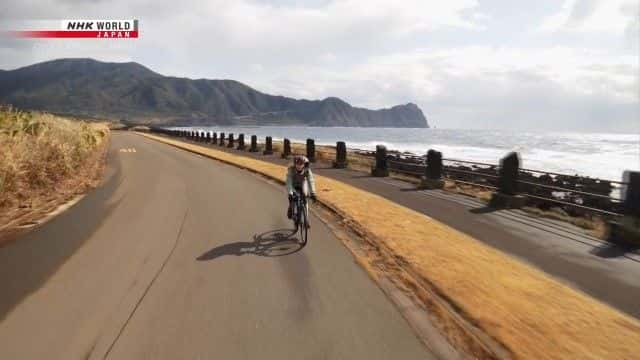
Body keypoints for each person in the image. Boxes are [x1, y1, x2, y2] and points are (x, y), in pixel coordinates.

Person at [286, 155, 317, 219]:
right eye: (297, 164)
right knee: (291, 197)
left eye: (301, 164)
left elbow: (311, 181)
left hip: (303, 183)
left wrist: (313, 193)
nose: (299, 166)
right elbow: (289, 182)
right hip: (293, 184)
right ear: (294, 164)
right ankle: (291, 208)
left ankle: (306, 218)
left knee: (305, 196)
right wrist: (290, 192)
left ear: (304, 164)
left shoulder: (307, 170)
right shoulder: (291, 169)